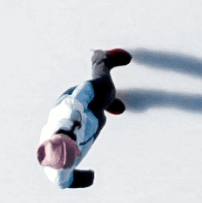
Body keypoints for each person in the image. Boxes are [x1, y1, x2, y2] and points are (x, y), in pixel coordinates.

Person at [36, 49, 132, 189]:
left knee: (107, 90)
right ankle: (105, 102)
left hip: (79, 99)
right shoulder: (58, 173)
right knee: (101, 120)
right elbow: (65, 182)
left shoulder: (70, 112)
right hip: (90, 126)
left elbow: (85, 90)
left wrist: (103, 94)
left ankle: (101, 59)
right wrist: (87, 179)